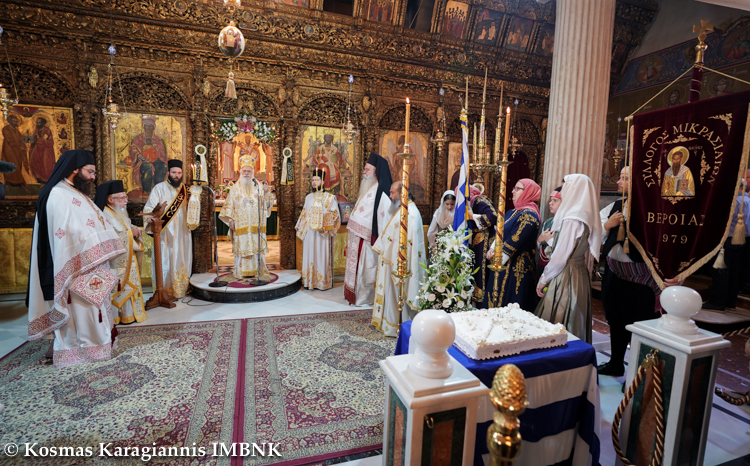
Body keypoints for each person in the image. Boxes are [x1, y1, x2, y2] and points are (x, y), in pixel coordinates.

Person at [27, 150, 126, 367]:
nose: (93, 177)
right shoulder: (58, 194)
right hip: (75, 267)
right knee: (81, 312)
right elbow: (64, 233)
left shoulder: (74, 192)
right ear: (74, 169)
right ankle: (78, 349)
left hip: (90, 263)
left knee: (94, 309)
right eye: (90, 172)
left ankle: (97, 345)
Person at [598, 166, 682, 376]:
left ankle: (638, 376)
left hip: (641, 281)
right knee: (615, 321)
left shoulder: (654, 209)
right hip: (615, 275)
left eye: (624, 178)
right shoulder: (616, 205)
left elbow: (667, 243)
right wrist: (607, 225)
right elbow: (596, 230)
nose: (619, 182)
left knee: (640, 325)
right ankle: (616, 363)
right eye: (619, 177)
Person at [535, 175, 602, 343]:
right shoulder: (584, 214)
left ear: (574, 189)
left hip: (566, 275)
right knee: (575, 315)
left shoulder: (572, 218)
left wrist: (544, 278)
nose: (563, 189)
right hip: (579, 272)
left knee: (560, 317)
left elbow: (561, 256)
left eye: (565, 186)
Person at [371, 181, 426, 336]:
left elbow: (408, 244)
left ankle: (397, 324)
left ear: (402, 194)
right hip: (392, 260)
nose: (390, 196)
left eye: (392, 193)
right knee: (391, 295)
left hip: (398, 264)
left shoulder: (410, 214)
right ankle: (388, 323)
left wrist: (391, 256)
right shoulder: (404, 210)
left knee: (396, 294)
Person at [484, 178, 541, 310]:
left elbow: (515, 240)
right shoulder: (512, 212)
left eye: (518, 188)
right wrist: (492, 249)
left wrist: (498, 257)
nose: (512, 191)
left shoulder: (529, 215)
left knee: (510, 304)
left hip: (517, 266)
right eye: (514, 188)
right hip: (501, 260)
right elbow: (500, 232)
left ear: (528, 192)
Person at [96, 180, 147, 325]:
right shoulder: (104, 215)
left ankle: (129, 315)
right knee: (118, 286)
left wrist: (133, 228)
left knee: (129, 284)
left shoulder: (119, 211)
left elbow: (126, 226)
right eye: (122, 198)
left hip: (128, 257)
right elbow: (110, 238)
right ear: (110, 199)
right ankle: (117, 316)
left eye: (126, 197)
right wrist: (131, 233)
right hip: (116, 262)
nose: (126, 201)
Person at [344, 152, 392, 305]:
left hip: (367, 240)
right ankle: (357, 294)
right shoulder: (369, 188)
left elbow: (381, 218)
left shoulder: (380, 192)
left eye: (367, 169)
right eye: (364, 169)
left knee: (367, 269)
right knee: (361, 270)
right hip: (358, 238)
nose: (364, 172)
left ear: (376, 172)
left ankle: (365, 298)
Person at [220, 154, 275, 280]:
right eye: (244, 171)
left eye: (249, 171)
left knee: (256, 246)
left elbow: (266, 204)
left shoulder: (259, 186)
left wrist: (267, 192)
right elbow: (229, 204)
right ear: (240, 172)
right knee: (242, 246)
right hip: (241, 224)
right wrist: (231, 219)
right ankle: (241, 271)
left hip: (256, 225)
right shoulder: (235, 188)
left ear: (253, 172)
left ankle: (258, 270)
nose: (246, 173)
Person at [144, 158, 193, 298]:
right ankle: (163, 290)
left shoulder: (186, 190)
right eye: (174, 173)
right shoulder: (159, 188)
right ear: (168, 173)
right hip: (165, 232)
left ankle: (180, 288)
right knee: (165, 258)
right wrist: (150, 218)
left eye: (179, 173)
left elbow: (193, 210)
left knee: (181, 257)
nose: (176, 175)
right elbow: (149, 208)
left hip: (182, 231)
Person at [703, 180, 750, 311]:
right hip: (742, 240)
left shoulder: (734, 202)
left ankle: (717, 301)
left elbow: (721, 220)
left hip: (727, 239)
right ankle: (730, 301)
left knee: (720, 270)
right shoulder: (748, 200)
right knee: (734, 272)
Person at [295, 168, 341, 290]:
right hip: (309, 233)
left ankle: (321, 283)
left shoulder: (330, 197)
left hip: (322, 233)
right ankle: (309, 281)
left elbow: (335, 215)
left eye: (317, 180)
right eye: (313, 180)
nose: (314, 182)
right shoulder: (308, 197)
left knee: (321, 256)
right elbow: (304, 214)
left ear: (323, 181)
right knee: (310, 255)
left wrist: (323, 222)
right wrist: (301, 227)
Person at [468, 185, 498, 307]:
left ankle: (483, 304)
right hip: (476, 242)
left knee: (482, 272)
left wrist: (472, 216)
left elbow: (494, 216)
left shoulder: (480, 200)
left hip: (484, 243)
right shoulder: (473, 202)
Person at [126, 115, 168, 196]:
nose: (149, 128)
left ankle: (157, 189)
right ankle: (146, 191)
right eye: (147, 126)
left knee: (163, 166)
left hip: (156, 159)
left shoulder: (157, 140)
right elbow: (134, 149)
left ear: (153, 128)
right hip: (142, 161)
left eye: (151, 126)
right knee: (147, 167)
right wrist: (140, 156)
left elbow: (162, 151)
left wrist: (156, 150)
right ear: (144, 127)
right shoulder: (138, 138)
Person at [536, 187, 562, 283]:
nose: (550, 203)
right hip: (541, 265)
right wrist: (539, 240)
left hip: (555, 268)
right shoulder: (547, 222)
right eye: (551, 200)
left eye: (555, 200)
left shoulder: (566, 224)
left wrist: (550, 240)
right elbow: (538, 249)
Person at [1, 114, 29, 187]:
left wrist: (23, 145)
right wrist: (19, 145)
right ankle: (10, 182)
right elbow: (9, 141)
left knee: (18, 165)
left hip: (17, 151)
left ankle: (16, 183)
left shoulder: (16, 130)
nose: (15, 123)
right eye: (13, 121)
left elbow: (20, 140)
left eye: (16, 121)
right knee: (11, 165)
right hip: (9, 150)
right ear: (10, 121)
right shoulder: (6, 129)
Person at [29, 117, 56, 183]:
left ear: (43, 123)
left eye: (39, 123)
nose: (38, 124)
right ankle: (39, 178)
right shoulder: (36, 130)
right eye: (37, 122)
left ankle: (45, 180)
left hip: (45, 150)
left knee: (45, 164)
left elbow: (51, 142)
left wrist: (45, 141)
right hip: (37, 148)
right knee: (34, 161)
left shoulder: (47, 130)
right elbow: (33, 139)